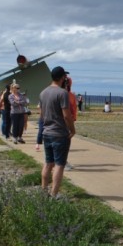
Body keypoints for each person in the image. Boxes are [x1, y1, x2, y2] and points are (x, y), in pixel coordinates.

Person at [39, 66, 75, 198]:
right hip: (59, 133)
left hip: (47, 132)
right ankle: (54, 194)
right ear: (62, 78)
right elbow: (67, 115)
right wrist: (72, 130)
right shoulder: (62, 93)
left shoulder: (43, 93)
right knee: (60, 164)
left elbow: (42, 115)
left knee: (48, 163)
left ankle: (43, 191)